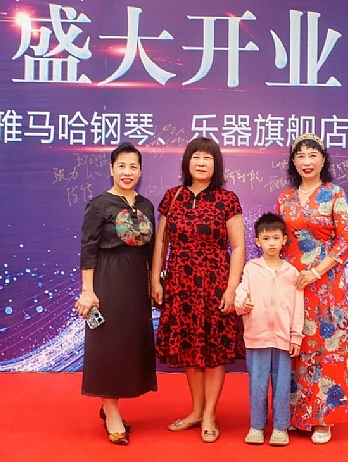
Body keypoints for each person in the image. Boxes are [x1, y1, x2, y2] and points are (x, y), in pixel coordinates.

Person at [150, 137, 246, 444]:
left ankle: (209, 415)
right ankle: (195, 411)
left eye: (207, 158)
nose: (201, 163)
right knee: (190, 349)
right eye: (196, 157)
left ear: (216, 164)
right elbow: (161, 242)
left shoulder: (227, 199)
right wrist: (156, 280)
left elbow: (238, 246)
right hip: (180, 284)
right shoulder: (172, 197)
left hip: (215, 283)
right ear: (187, 162)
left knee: (214, 352)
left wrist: (232, 288)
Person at [275, 133, 348, 445]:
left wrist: (316, 272)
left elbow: (347, 239)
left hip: (326, 283)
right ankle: (295, 415)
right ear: (293, 162)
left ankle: (323, 417)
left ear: (323, 160)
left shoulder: (335, 194)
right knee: (294, 345)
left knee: (325, 346)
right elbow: (277, 239)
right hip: (292, 281)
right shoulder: (285, 198)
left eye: (313, 155)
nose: (307, 162)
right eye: (300, 156)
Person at [75, 142, 157, 446]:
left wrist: (154, 283)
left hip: (136, 282)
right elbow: (88, 249)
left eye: (133, 166)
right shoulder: (99, 205)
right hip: (107, 280)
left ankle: (110, 406)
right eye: (121, 165)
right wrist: (88, 291)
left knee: (128, 345)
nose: (127, 172)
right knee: (107, 346)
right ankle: (111, 413)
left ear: (140, 171)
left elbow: (152, 249)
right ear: (111, 169)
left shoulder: (146, 205)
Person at [234, 213, 303, 447]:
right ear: (257, 242)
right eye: (266, 238)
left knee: (283, 386)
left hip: (283, 339)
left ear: (284, 240)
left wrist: (296, 336)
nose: (271, 243)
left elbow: (298, 307)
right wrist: (242, 303)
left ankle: (281, 427)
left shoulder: (292, 273)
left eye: (276, 238)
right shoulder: (251, 269)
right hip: (257, 337)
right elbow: (241, 293)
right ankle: (256, 426)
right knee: (257, 385)